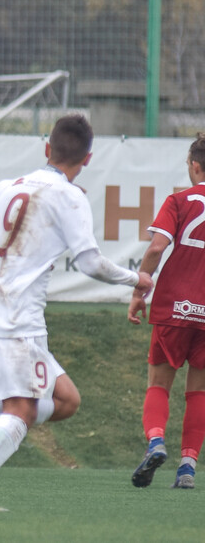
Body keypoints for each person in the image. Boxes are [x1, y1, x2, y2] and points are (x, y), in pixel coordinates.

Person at [0, 114, 152, 511]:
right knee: (21, 408)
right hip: (17, 318)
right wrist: (135, 279)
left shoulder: (6, 187)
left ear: (46, 148)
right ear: (87, 159)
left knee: (67, 399)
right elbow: (90, 264)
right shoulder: (68, 195)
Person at [127, 132, 205, 490]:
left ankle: (157, 441)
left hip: (174, 305)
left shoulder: (179, 200)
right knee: (199, 391)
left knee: (158, 383)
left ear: (194, 166)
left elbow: (158, 247)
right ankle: (188, 465)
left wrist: (141, 288)